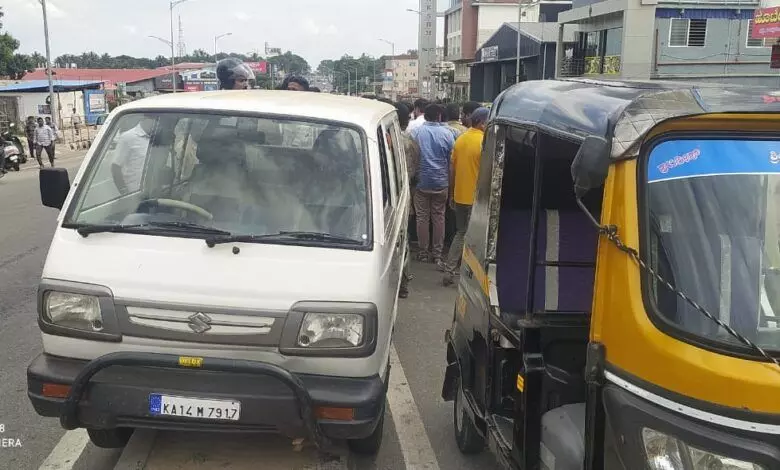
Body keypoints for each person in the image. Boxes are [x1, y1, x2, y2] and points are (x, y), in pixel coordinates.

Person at [442, 107, 489, 285]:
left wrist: (452, 193)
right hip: (477, 198)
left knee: (461, 233)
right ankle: (470, 274)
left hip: (460, 196)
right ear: (482, 123)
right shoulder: (484, 142)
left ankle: (449, 269)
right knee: (475, 237)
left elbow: (452, 169)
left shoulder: (461, 139)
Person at [410, 104, 455, 264]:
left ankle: (423, 252)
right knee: (439, 217)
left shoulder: (416, 132)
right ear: (440, 117)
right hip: (441, 182)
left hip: (421, 181)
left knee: (422, 217)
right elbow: (451, 161)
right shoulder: (448, 134)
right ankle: (437, 253)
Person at [111, 115, 155, 194]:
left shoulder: (155, 138)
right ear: (145, 119)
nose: (157, 123)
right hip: (134, 192)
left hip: (152, 192)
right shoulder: (128, 137)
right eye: (155, 120)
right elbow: (115, 167)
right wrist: (124, 191)